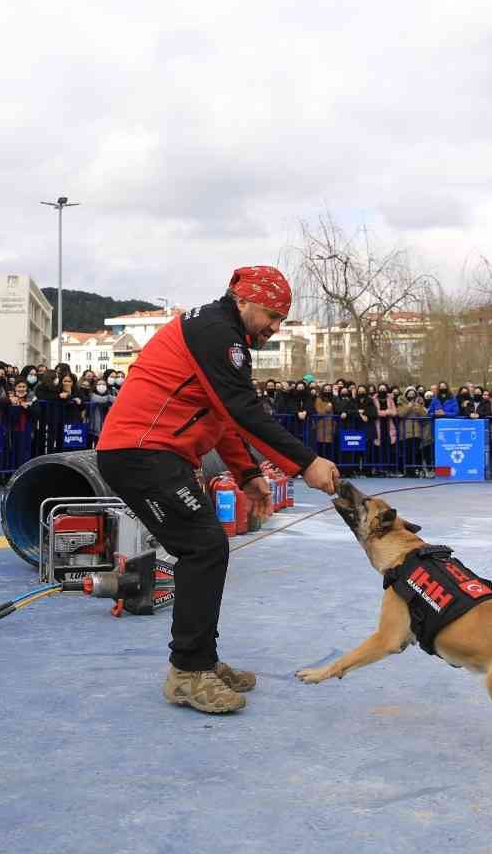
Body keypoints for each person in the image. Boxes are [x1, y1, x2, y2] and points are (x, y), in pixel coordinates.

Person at [95, 266, 338, 714]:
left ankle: (200, 660)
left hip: (154, 453)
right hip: (141, 451)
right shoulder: (216, 333)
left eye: (283, 318)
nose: (276, 327)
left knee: (205, 547)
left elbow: (223, 416)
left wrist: (247, 474)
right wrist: (305, 463)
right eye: (271, 314)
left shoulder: (221, 334)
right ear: (243, 301)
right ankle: (189, 672)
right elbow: (243, 410)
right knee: (204, 548)